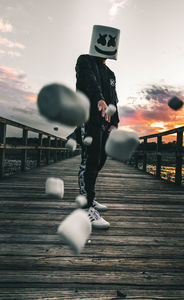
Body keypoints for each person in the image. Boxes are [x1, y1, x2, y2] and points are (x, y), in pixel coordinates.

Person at [75, 25, 120, 229]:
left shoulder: (110, 73)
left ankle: (90, 199)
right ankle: (85, 208)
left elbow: (114, 99)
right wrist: (99, 99)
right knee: (90, 160)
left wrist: (115, 122)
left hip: (104, 123)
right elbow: (89, 81)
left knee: (100, 159)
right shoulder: (85, 61)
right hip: (88, 118)